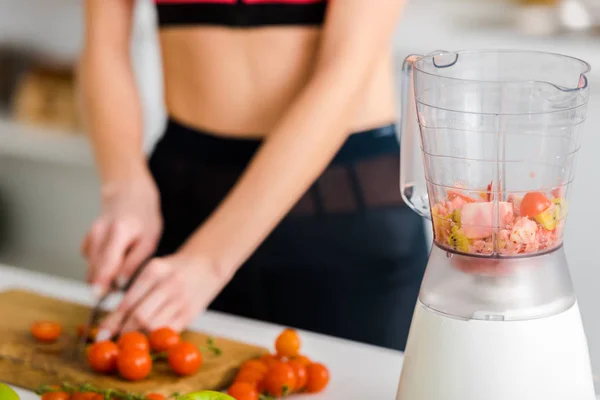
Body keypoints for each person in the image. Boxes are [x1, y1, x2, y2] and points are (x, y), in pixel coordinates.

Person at [79, 0, 428, 351]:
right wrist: (124, 184)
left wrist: (209, 260)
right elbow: (103, 44)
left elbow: (347, 69)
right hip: (181, 196)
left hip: (341, 208)